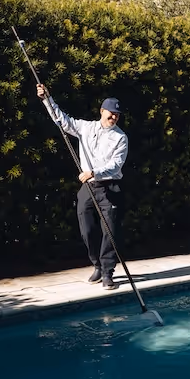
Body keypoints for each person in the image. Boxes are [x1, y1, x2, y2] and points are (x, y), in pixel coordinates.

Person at [37, 84, 128, 290]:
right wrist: (47, 99)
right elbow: (62, 120)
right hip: (89, 187)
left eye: (117, 115)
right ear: (102, 111)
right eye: (111, 113)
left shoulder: (121, 138)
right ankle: (96, 264)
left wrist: (93, 172)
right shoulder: (86, 128)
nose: (113, 117)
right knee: (87, 229)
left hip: (109, 187)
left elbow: (116, 164)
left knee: (110, 232)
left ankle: (107, 272)